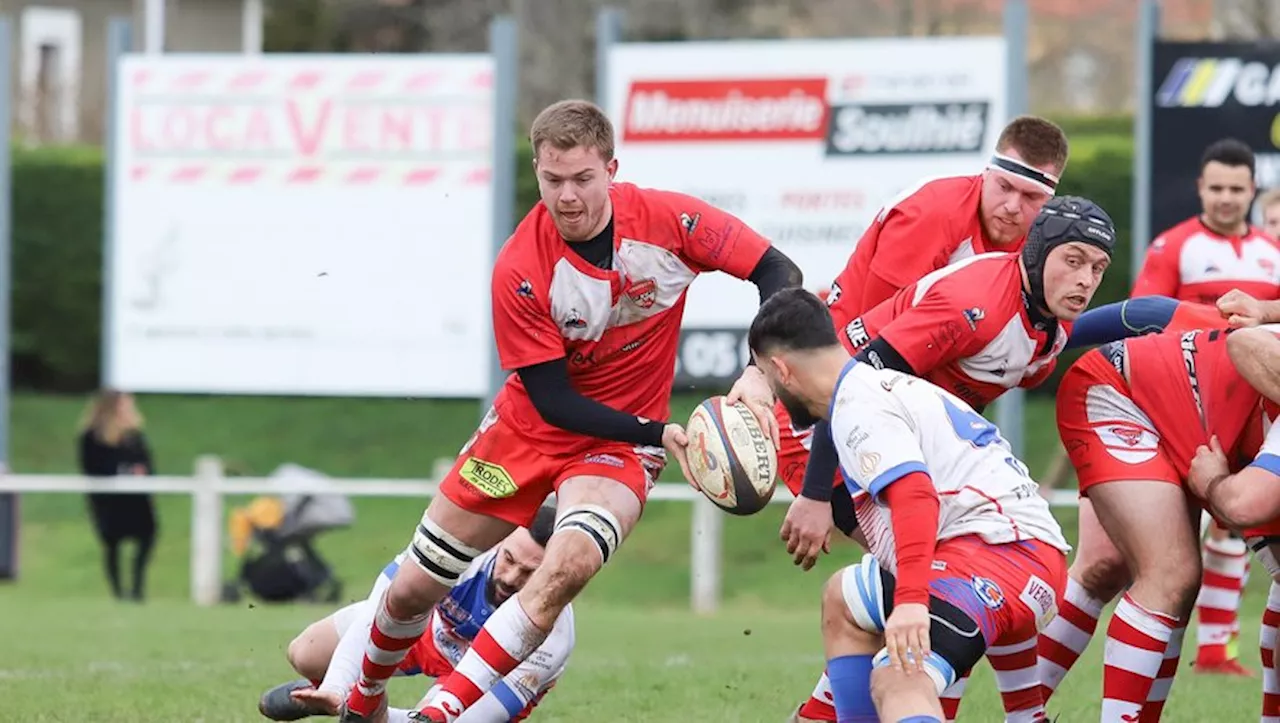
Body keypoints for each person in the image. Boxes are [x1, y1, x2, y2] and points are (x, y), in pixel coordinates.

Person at [338, 99, 802, 723]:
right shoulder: (520, 267)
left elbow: (779, 271)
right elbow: (555, 401)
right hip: (527, 431)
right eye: (553, 180)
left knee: (571, 561)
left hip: (614, 449)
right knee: (417, 585)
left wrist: (758, 371)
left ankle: (439, 713)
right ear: (537, 172)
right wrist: (657, 429)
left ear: (612, 169)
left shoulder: (669, 220)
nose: (568, 197)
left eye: (583, 179)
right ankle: (363, 702)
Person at [783, 195, 1115, 723]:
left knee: (904, 659)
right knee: (861, 604)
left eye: (1098, 268)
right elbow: (849, 384)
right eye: (1073, 260)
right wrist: (816, 493)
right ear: (1035, 253)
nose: (1085, 279)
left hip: (971, 517)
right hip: (866, 457)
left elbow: (1120, 317)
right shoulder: (972, 302)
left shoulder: (1048, 319)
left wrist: (1199, 319)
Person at [749, 288, 1071, 723]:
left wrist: (912, 602)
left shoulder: (859, 407)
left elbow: (914, 495)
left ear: (782, 371)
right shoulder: (875, 386)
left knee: (899, 677)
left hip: (998, 557)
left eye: (766, 380)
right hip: (1014, 556)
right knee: (842, 598)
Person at [1035, 290, 1280, 720]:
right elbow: (1151, 312)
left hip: (1206, 434)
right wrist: (1044, 338)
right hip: (1122, 392)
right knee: (1165, 572)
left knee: (1123, 569)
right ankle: (1018, 712)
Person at [1133, 138, 1280, 676]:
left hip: (1254, 414)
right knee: (1155, 561)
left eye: (1235, 189)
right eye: (1215, 187)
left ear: (1251, 190)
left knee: (1236, 522)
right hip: (1183, 408)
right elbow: (1145, 322)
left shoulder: (1271, 249)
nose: (1225, 198)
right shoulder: (1173, 246)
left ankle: (1217, 647)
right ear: (1200, 187)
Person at [258, 507, 569, 722]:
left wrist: (370, 712)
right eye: (509, 559)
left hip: (485, 674)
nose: (511, 577)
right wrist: (336, 687)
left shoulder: (551, 638)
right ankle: (329, 696)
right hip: (430, 633)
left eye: (530, 572)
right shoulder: (462, 550)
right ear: (501, 541)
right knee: (306, 652)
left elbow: (472, 717)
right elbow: (376, 614)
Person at [78, 389, 158, 602]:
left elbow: (147, 463)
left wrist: (141, 473)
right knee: (112, 544)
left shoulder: (134, 436)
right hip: (109, 500)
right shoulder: (92, 437)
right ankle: (118, 592)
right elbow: (92, 467)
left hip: (136, 499)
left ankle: (137, 588)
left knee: (147, 537)